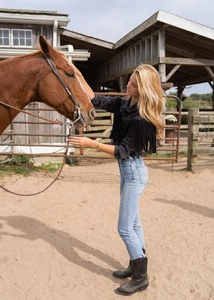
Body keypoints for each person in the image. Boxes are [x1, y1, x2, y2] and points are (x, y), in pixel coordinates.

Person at [69, 64, 164, 296]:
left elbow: (123, 150)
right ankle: (135, 264)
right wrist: (77, 76)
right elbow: (99, 100)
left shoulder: (142, 119)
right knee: (134, 224)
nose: (127, 85)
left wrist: (91, 144)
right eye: (129, 81)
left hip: (133, 172)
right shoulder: (125, 104)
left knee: (124, 228)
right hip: (127, 171)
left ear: (142, 89)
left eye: (132, 83)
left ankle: (141, 277)